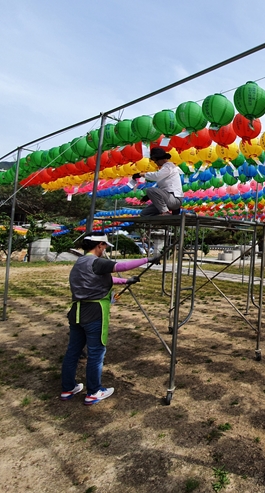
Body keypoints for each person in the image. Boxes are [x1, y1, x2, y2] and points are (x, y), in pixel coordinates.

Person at [60, 232, 160, 405]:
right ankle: (94, 391)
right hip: (94, 312)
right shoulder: (96, 262)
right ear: (99, 245)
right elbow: (121, 266)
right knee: (96, 353)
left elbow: (101, 278)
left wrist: (126, 281)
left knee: (73, 352)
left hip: (77, 311)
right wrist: (148, 260)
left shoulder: (81, 262)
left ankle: (68, 388)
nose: (104, 250)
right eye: (104, 246)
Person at [132, 146, 183, 216]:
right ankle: (164, 218)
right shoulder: (164, 169)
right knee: (144, 214)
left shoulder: (168, 166)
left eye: (155, 160)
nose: (155, 163)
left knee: (150, 190)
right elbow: (163, 189)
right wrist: (148, 196)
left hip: (174, 199)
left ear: (160, 159)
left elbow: (157, 176)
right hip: (167, 200)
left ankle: (165, 212)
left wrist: (141, 174)